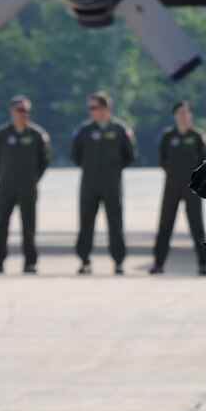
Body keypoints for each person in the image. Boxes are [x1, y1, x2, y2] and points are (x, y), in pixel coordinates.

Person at [71, 91, 136, 275]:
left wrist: (113, 169)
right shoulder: (84, 131)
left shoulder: (120, 130)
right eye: (89, 107)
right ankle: (84, 260)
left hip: (111, 183)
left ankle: (118, 261)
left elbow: (129, 155)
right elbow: (76, 155)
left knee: (115, 223)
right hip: (89, 183)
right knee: (86, 223)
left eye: (93, 107)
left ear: (104, 108)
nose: (90, 111)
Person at [0, 95, 50, 274]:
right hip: (5, 186)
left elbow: (44, 161)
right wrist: (4, 176)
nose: (24, 114)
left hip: (28, 187)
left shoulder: (37, 135)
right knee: (0, 225)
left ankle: (30, 262)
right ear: (12, 111)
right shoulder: (1, 135)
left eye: (27, 111)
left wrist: (32, 178)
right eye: (20, 110)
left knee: (28, 226)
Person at [151, 100, 206, 276]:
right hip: (172, 185)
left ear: (190, 115)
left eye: (186, 112)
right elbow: (162, 159)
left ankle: (203, 263)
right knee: (165, 224)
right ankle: (158, 263)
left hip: (192, 187)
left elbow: (204, 160)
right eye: (179, 112)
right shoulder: (168, 136)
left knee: (196, 226)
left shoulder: (197, 136)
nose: (183, 115)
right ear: (175, 115)